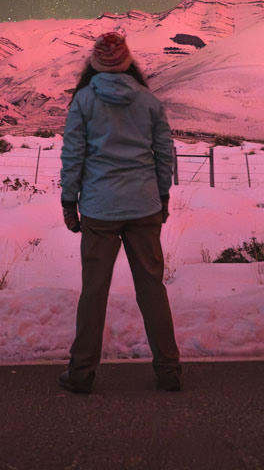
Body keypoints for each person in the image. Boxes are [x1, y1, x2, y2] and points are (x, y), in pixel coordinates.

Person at [58, 30, 181, 395]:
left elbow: (73, 156)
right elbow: (164, 153)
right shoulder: (148, 101)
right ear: (129, 63)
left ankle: (81, 373)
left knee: (94, 292)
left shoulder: (83, 101)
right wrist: (161, 195)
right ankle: (169, 370)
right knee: (152, 289)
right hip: (143, 205)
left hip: (99, 208)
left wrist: (70, 200)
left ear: (94, 65)